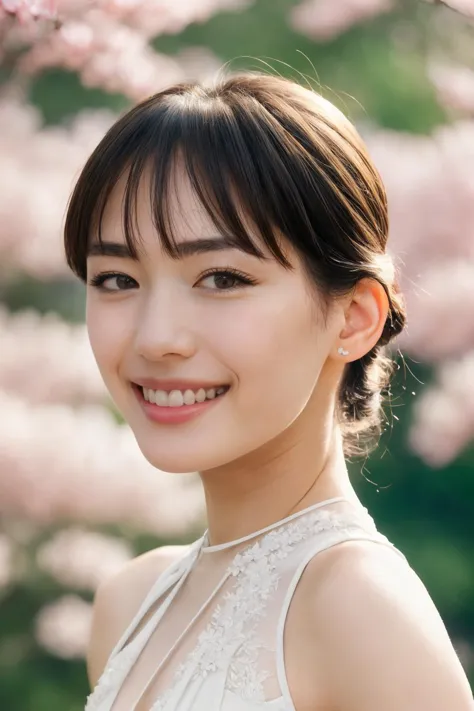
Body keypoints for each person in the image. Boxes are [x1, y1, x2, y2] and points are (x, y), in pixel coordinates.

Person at [63, 72, 473, 711]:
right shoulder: (129, 604)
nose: (156, 338)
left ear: (354, 317)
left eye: (222, 278)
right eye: (116, 279)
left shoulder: (358, 608)